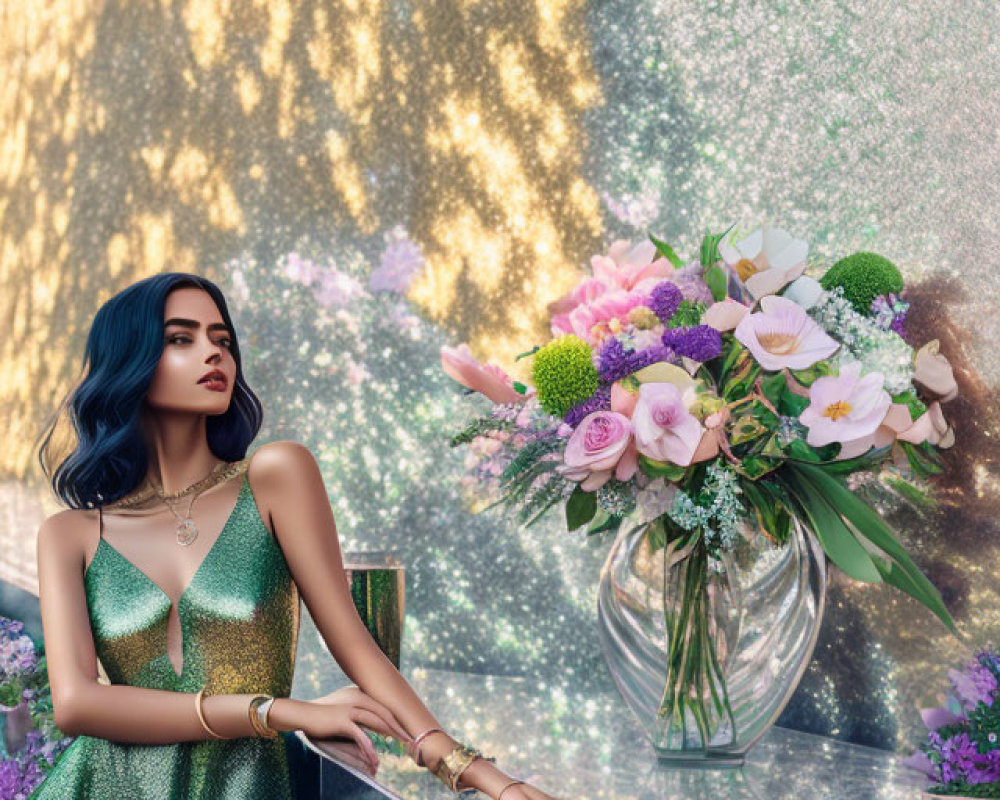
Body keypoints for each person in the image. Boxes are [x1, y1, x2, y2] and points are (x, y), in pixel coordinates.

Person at [30, 272, 557, 799]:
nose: (214, 354)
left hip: (251, 784)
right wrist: (278, 711)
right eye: (181, 338)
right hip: (103, 785)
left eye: (222, 340)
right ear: (129, 360)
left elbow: (356, 645)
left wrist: (475, 772)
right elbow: (77, 704)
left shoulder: (276, 476)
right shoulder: (69, 535)